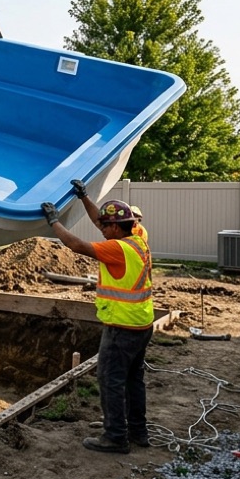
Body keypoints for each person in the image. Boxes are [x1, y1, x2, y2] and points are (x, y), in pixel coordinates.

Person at [41, 195, 153, 455]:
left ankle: (115, 436)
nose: (101, 230)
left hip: (121, 328)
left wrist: (53, 222)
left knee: (110, 380)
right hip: (141, 325)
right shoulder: (138, 237)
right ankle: (139, 432)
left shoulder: (117, 249)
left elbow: (76, 245)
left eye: (105, 227)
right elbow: (100, 219)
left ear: (116, 228)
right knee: (134, 381)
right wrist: (84, 198)